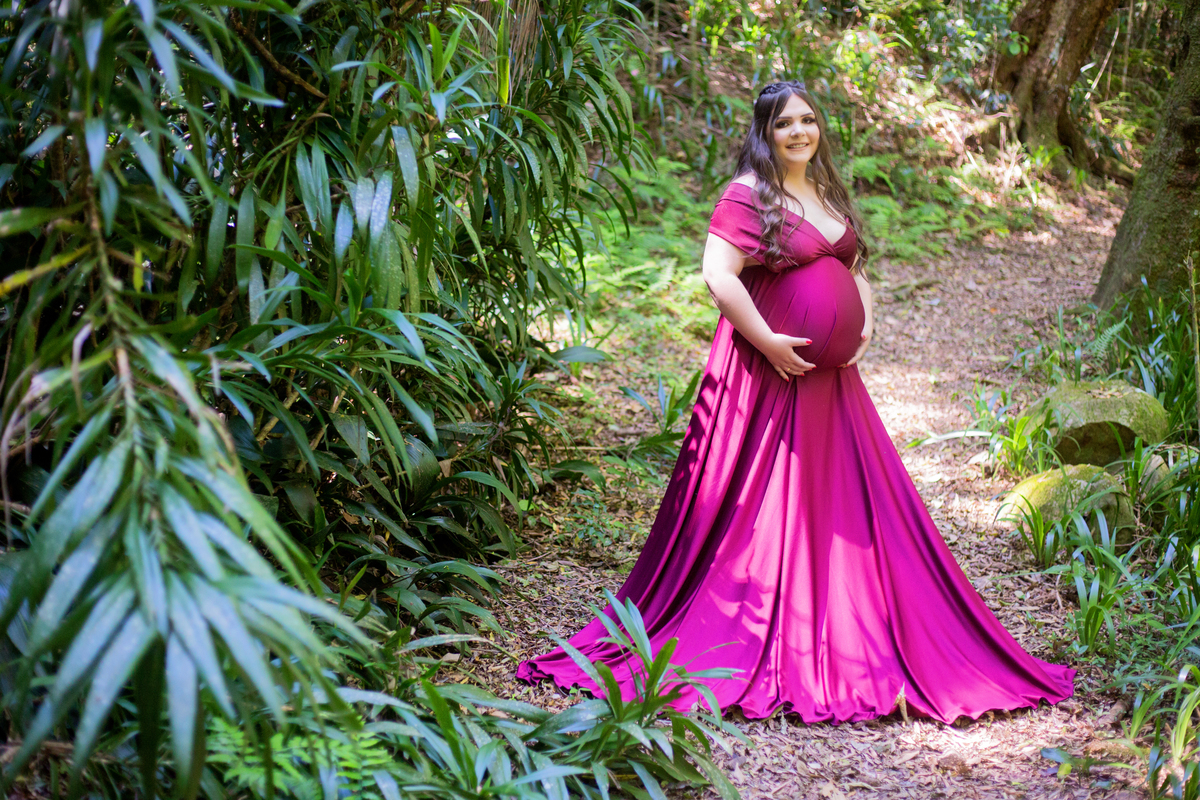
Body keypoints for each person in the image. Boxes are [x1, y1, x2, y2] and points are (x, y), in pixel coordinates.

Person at [517, 80, 1075, 724]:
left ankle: (841, 610)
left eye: (808, 120)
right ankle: (768, 617)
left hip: (833, 387)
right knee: (763, 500)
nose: (800, 132)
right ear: (765, 132)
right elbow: (718, 275)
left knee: (844, 501)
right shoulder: (749, 194)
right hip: (769, 376)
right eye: (785, 123)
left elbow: (853, 266)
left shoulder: (825, 191)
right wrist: (769, 342)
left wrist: (866, 320)